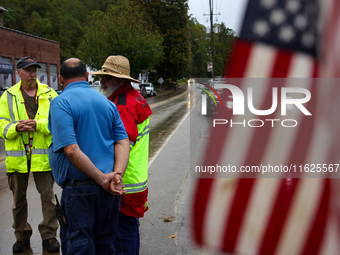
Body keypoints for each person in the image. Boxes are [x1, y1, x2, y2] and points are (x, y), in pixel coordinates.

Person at [48, 58, 130, 255]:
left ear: (61, 79)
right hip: (109, 192)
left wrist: (102, 179)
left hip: (80, 192)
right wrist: (117, 175)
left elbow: (71, 150)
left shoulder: (61, 102)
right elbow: (123, 141)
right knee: (105, 245)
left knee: (79, 247)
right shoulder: (107, 103)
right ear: (86, 76)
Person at [92, 55, 152, 255]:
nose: (102, 81)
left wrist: (113, 175)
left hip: (123, 181)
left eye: (106, 77)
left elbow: (121, 145)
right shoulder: (131, 97)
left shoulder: (123, 104)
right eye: (102, 77)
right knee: (128, 232)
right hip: (133, 178)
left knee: (121, 236)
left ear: (120, 80)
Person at [0, 56, 59, 253]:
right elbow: (1, 125)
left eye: (35, 70)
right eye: (28, 70)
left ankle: (49, 236)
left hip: (43, 158)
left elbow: (58, 122)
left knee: (48, 199)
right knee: (18, 200)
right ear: (18, 72)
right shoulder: (7, 96)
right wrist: (15, 127)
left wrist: (38, 124)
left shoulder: (50, 94)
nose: (32, 74)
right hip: (18, 159)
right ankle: (21, 236)